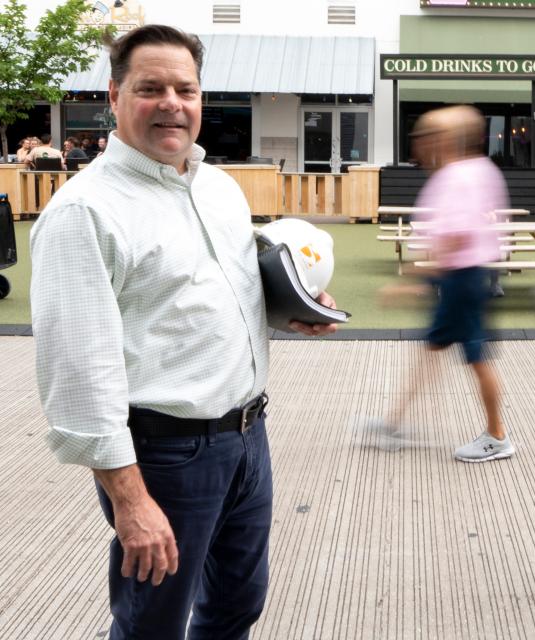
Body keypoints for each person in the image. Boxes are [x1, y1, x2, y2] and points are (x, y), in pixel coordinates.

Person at [30, 24, 337, 638]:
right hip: (164, 457)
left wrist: (290, 307)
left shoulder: (218, 189)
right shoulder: (84, 212)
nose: (172, 102)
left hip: (248, 438)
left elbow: (222, 285)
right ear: (114, 96)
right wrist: (130, 499)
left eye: (185, 88)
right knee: (154, 624)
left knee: (235, 606)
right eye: (151, 88)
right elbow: (77, 372)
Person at [367, 105, 514, 463]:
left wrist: (412, 279)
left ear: (445, 140)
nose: (419, 147)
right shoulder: (477, 170)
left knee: (477, 358)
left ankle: (498, 436)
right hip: (463, 277)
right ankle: (394, 423)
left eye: (425, 138)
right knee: (433, 349)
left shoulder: (458, 176)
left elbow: (457, 237)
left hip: (462, 279)